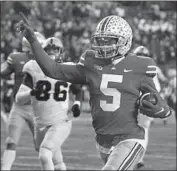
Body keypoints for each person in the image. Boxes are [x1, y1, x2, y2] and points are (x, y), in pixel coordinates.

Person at [17, 13, 171, 170]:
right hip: (103, 141)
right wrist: (33, 40)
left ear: (124, 40)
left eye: (109, 40)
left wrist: (157, 108)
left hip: (130, 138)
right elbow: (53, 70)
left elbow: (163, 109)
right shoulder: (91, 62)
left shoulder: (140, 65)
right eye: (101, 39)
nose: (103, 44)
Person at [15, 37, 83, 170]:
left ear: (61, 52)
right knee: (57, 163)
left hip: (61, 121)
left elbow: (77, 91)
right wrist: (31, 93)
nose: (52, 53)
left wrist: (77, 104)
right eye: (48, 50)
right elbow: (19, 99)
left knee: (45, 154)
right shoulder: (33, 67)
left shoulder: (68, 68)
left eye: (55, 50)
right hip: (40, 123)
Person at [1, 32, 45, 170]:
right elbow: (3, 72)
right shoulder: (16, 58)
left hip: (37, 109)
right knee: (11, 141)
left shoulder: (45, 60)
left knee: (43, 145)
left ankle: (55, 166)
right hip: (19, 107)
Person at [133, 45, 161, 169]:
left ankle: (130, 155)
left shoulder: (131, 68)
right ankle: (139, 158)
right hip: (147, 103)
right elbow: (157, 88)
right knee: (143, 131)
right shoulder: (151, 69)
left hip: (134, 103)